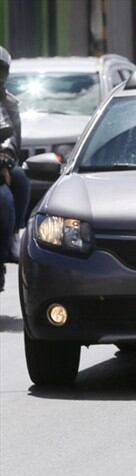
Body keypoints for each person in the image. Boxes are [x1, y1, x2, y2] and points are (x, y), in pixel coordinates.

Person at [0, 46, 29, 292]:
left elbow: (11, 137)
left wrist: (6, 158)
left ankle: (12, 236)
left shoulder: (7, 103)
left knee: (18, 181)